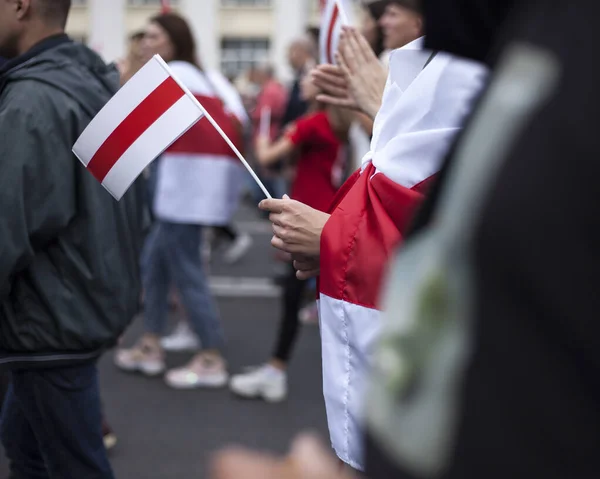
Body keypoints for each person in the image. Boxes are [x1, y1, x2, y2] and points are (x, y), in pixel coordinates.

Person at [259, 10, 488, 473]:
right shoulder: (463, 55)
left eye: (389, 8)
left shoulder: (502, 56)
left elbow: (481, 242)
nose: (381, 15)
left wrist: (332, 237)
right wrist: (384, 104)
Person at [0, 0, 147, 477]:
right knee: (27, 447)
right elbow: (130, 201)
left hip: (48, 322)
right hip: (76, 309)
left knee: (73, 464)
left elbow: (7, 226)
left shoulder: (32, 101)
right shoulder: (93, 81)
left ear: (20, 6)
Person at [115, 12, 248, 389]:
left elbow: (131, 118)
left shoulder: (173, 74)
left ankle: (211, 354)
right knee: (154, 265)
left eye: (154, 35)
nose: (146, 42)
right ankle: (152, 343)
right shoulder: (198, 75)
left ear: (172, 41)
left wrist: (129, 74)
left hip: (181, 193)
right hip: (184, 191)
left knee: (185, 270)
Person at [229, 69, 351, 402]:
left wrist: (260, 137)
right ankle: (277, 369)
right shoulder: (329, 123)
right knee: (319, 299)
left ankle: (276, 371)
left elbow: (267, 156)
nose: (304, 79)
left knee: (299, 297)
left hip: (310, 216)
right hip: (326, 210)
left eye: (313, 76)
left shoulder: (311, 124)